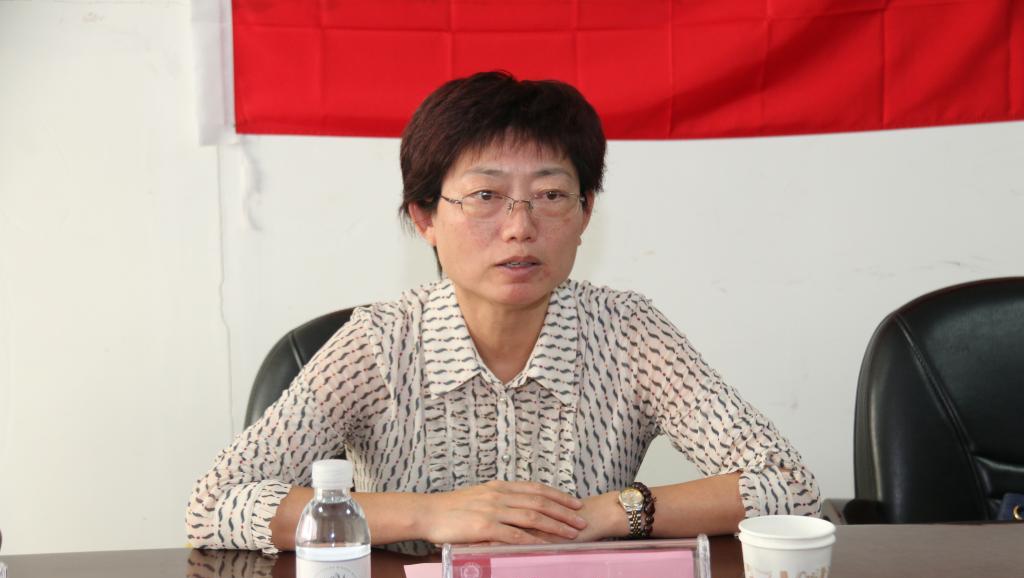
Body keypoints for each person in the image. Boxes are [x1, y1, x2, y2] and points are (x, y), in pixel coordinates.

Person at [186, 71, 821, 553]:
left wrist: (607, 513)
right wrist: (429, 514)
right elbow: (215, 505)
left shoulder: (628, 332)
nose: (520, 227)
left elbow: (789, 486)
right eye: (486, 195)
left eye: (550, 195)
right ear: (426, 218)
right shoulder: (380, 342)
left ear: (585, 214)